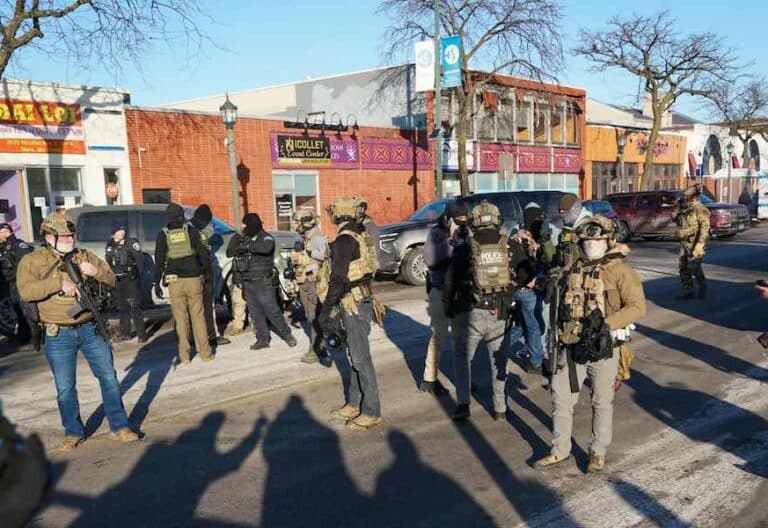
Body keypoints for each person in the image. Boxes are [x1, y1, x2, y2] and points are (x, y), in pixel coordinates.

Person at [16, 212, 138, 449]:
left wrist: (96, 272)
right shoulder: (32, 261)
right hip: (58, 333)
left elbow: (111, 279)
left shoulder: (84, 256)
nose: (70, 239)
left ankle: (120, 426)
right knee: (65, 387)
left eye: (71, 235)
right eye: (64, 236)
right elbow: (26, 291)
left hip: (90, 327)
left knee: (108, 377)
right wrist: (58, 283)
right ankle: (73, 432)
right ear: (49, 237)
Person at [534, 215, 646, 473]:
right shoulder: (574, 268)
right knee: (560, 397)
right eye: (587, 240)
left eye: (597, 239)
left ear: (608, 240)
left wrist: (607, 325)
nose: (591, 244)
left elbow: (638, 307)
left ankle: (597, 452)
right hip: (571, 344)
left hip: (604, 347)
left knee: (601, 401)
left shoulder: (620, 271)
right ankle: (560, 450)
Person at [444, 200, 513, 421]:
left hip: (471, 313)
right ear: (497, 220)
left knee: (462, 359)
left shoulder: (465, 248)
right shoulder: (509, 244)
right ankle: (500, 410)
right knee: (498, 363)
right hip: (500, 313)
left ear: (474, 222)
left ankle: (463, 405)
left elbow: (450, 281)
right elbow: (523, 275)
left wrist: (449, 308)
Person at [319, 197, 383, 431]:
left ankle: (372, 411)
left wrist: (325, 311)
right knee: (355, 353)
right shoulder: (361, 236)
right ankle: (354, 403)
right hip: (362, 300)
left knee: (360, 358)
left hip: (352, 304)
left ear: (338, 216)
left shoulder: (344, 241)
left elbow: (337, 279)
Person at [154, 203, 213, 364]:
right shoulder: (191, 231)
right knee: (198, 317)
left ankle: (185, 356)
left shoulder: (163, 234)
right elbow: (203, 254)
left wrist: (156, 282)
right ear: (181, 216)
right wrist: (206, 273)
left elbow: (159, 260)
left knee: (180, 320)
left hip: (174, 281)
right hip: (194, 279)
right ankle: (205, 354)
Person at [227, 213, 296, 350]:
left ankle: (288, 336)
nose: (243, 227)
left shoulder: (266, 237)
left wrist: (246, 246)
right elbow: (229, 252)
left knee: (272, 310)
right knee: (255, 313)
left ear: (252, 225)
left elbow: (265, 248)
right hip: (248, 282)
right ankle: (262, 339)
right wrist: (237, 239)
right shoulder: (243, 238)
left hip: (263, 281)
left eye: (245, 224)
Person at [420, 202, 468, 396]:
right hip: (439, 291)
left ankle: (463, 380)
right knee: (438, 336)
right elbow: (431, 258)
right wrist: (452, 240)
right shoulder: (436, 234)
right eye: (458, 221)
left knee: (461, 339)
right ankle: (429, 379)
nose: (462, 224)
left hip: (459, 292)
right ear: (449, 219)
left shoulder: (465, 232)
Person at [508, 203, 554, 374]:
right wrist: (531, 280)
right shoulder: (523, 239)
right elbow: (522, 266)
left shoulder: (521, 236)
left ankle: (500, 347)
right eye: (537, 219)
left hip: (523, 288)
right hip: (525, 289)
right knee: (535, 325)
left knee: (522, 326)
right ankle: (536, 362)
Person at [291, 206, 331, 364]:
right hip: (304, 282)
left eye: (296, 221)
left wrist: (309, 252)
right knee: (310, 316)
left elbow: (325, 256)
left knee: (314, 317)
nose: (294, 224)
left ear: (306, 222)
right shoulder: (305, 238)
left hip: (314, 282)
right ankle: (320, 346)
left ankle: (316, 349)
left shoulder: (317, 238)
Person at [191, 204, 230, 347]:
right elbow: (203, 254)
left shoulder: (189, 228)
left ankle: (195, 337)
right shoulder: (198, 232)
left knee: (195, 307)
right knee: (206, 306)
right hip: (200, 274)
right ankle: (211, 337)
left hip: (192, 274)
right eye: (207, 221)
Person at [105, 223, 147, 343]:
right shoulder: (110, 245)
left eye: (123, 230)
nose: (122, 232)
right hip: (118, 280)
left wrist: (137, 275)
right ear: (114, 233)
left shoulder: (131, 243)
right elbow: (108, 261)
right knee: (123, 307)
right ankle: (125, 333)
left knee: (135, 306)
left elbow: (139, 259)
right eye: (119, 230)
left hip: (130, 278)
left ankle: (141, 334)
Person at [672, 184, 710, 300]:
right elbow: (674, 218)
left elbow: (705, 228)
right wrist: (677, 206)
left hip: (695, 244)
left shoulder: (701, 210)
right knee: (683, 268)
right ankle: (688, 291)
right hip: (684, 243)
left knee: (695, 267)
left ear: (694, 197)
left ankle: (703, 287)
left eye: (687, 197)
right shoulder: (685, 209)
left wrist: (700, 244)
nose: (685, 199)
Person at [0, 222, 33, 343]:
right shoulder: (2, 247)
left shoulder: (18, 245)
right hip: (9, 283)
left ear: (11, 232)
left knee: (25, 309)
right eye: (1, 232)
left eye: (5, 232)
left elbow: (26, 262)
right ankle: (22, 335)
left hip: (20, 281)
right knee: (16, 310)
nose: (3, 235)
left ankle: (32, 335)